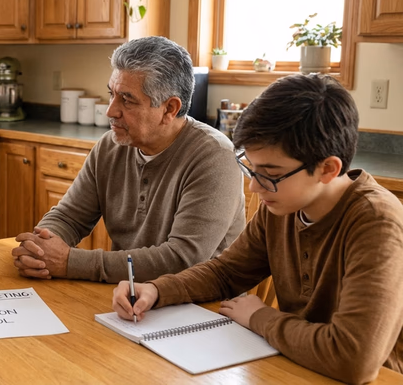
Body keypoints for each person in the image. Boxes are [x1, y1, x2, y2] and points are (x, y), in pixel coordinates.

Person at [112, 74, 403, 383]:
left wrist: (260, 317)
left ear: (328, 169)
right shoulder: (282, 204)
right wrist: (157, 290)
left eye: (270, 173)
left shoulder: (377, 224)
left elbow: (354, 359)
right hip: (296, 365)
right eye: (251, 167)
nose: (254, 187)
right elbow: (226, 273)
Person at [13, 36, 245, 283]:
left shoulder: (215, 157)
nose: (110, 111)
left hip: (203, 306)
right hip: (127, 296)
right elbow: (69, 217)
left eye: (127, 99)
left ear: (169, 109)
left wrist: (70, 262)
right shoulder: (110, 146)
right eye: (111, 94)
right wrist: (41, 249)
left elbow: (182, 259)